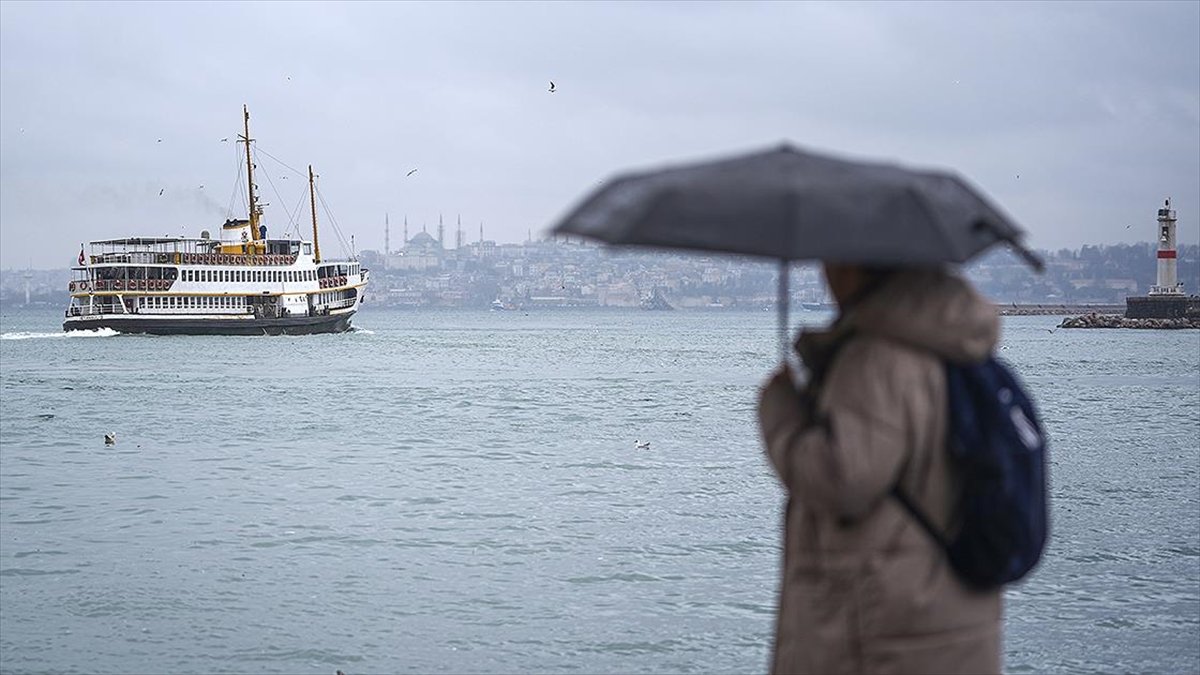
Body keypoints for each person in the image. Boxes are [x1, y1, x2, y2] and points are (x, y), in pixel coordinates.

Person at [757, 263, 1003, 675]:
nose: (825, 272)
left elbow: (842, 479)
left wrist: (780, 411)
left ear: (856, 267)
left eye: (831, 259)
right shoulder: (952, 348)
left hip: (883, 630)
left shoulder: (878, 358)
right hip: (952, 611)